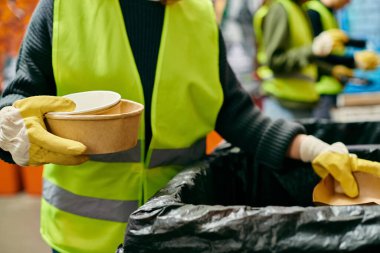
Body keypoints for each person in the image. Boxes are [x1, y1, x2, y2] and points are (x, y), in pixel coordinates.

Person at [0, 0, 379, 253]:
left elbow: (235, 113)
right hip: (82, 238)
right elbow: (21, 103)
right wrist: (10, 129)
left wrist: (313, 148)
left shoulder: (199, 16)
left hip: (175, 234)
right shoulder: (64, 9)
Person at [259, 0, 350, 120]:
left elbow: (305, 62)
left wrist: (331, 70)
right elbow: (275, 61)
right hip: (283, 104)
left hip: (303, 103)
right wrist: (312, 49)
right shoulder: (280, 8)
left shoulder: (300, 9)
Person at [304, 0, 379, 119]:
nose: (348, 3)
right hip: (320, 87)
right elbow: (317, 55)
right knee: (321, 127)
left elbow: (337, 44)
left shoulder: (328, 12)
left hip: (331, 84)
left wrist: (361, 44)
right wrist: (353, 61)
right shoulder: (313, 11)